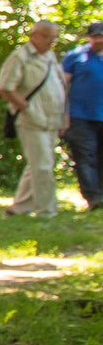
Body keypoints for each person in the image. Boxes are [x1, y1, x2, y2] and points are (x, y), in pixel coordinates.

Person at [0, 20, 67, 219]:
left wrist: (64, 116)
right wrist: (26, 107)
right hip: (32, 119)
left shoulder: (50, 57)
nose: (50, 42)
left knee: (39, 163)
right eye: (46, 36)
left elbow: (60, 83)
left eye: (53, 38)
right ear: (33, 35)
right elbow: (4, 87)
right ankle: (47, 211)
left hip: (52, 119)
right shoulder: (20, 57)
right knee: (42, 165)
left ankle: (19, 207)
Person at [60, 21, 103, 210]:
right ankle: (92, 197)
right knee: (86, 157)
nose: (99, 40)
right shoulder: (75, 56)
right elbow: (61, 85)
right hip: (79, 116)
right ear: (89, 38)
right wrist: (61, 113)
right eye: (95, 37)